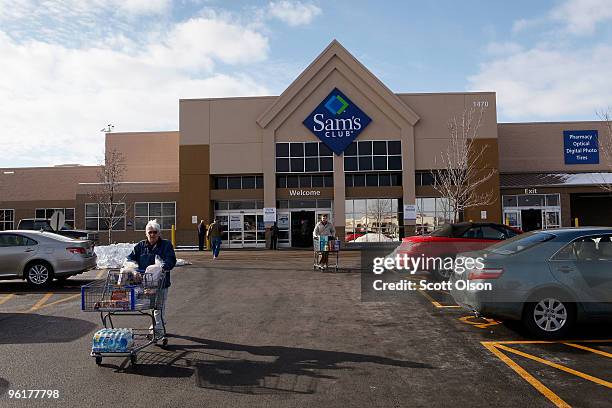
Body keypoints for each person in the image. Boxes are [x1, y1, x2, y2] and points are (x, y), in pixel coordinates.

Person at [127, 219, 176, 337]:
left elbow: (171, 259)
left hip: (161, 283)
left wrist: (162, 268)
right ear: (146, 233)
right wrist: (133, 270)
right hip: (145, 284)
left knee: (158, 307)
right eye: (150, 232)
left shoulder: (166, 245)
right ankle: (158, 325)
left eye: (155, 232)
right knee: (153, 307)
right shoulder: (140, 246)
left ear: (159, 233)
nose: (152, 235)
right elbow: (130, 259)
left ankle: (158, 331)